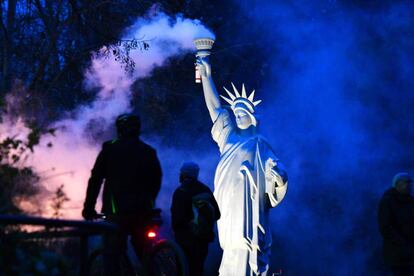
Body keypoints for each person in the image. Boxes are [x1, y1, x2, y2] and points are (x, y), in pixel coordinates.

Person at [196, 57, 288, 275]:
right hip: (228, 201)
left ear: (252, 118)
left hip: (250, 203)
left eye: (241, 114)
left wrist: (279, 176)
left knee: (248, 244)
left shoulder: (260, 144)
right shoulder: (228, 136)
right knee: (232, 243)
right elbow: (215, 109)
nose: (237, 117)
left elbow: (276, 173)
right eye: (235, 114)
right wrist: (207, 77)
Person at [82, 113, 162, 275]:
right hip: (143, 211)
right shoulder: (148, 151)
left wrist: (89, 207)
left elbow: (96, 179)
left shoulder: (110, 149)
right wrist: (150, 200)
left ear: (119, 129)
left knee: (111, 254)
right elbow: (156, 179)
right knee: (144, 251)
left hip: (116, 212)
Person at [171, 162, 220, 276]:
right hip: (203, 238)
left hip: (184, 239)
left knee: (183, 269)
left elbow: (177, 219)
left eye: (181, 173)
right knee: (197, 269)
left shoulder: (180, 192)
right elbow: (217, 214)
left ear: (185, 174)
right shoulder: (205, 190)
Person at [378, 172, 414, 276]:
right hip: (397, 253)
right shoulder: (387, 201)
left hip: (409, 251)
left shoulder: (411, 201)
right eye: (405, 183)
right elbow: (385, 227)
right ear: (396, 184)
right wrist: (403, 243)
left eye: (410, 183)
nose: (409, 186)